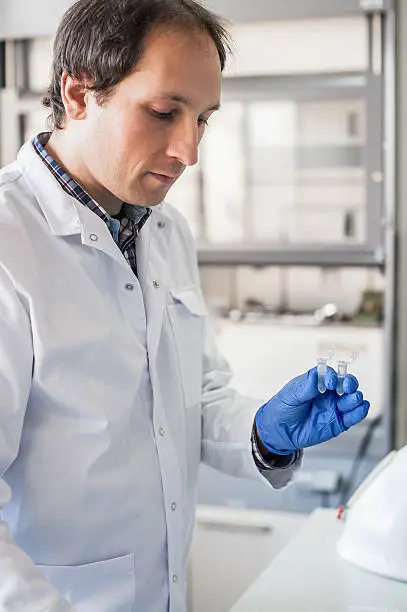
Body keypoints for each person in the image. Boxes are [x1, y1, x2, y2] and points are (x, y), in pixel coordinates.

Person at [0, 1, 370, 610]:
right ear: (77, 93)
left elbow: (192, 398)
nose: (189, 150)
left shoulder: (163, 231)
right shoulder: (12, 243)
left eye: (204, 119)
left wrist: (263, 431)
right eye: (165, 112)